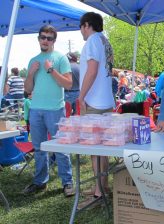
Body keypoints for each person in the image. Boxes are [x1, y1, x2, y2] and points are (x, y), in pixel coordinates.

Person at [23, 25, 74, 197]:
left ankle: (67, 182)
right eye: (42, 37)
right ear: (38, 38)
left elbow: (68, 84)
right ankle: (40, 181)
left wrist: (51, 70)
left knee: (61, 147)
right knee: (38, 149)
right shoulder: (33, 61)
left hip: (55, 110)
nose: (45, 40)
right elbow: (28, 89)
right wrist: (30, 74)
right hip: (36, 109)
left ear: (54, 40)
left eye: (49, 38)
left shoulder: (60, 58)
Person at [78, 12, 115, 206]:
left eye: (81, 28)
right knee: (104, 148)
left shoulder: (92, 41)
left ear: (86, 25)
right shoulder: (105, 41)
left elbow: (91, 71)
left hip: (94, 102)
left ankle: (98, 194)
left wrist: (81, 96)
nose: (81, 33)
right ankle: (103, 186)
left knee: (95, 149)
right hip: (107, 101)